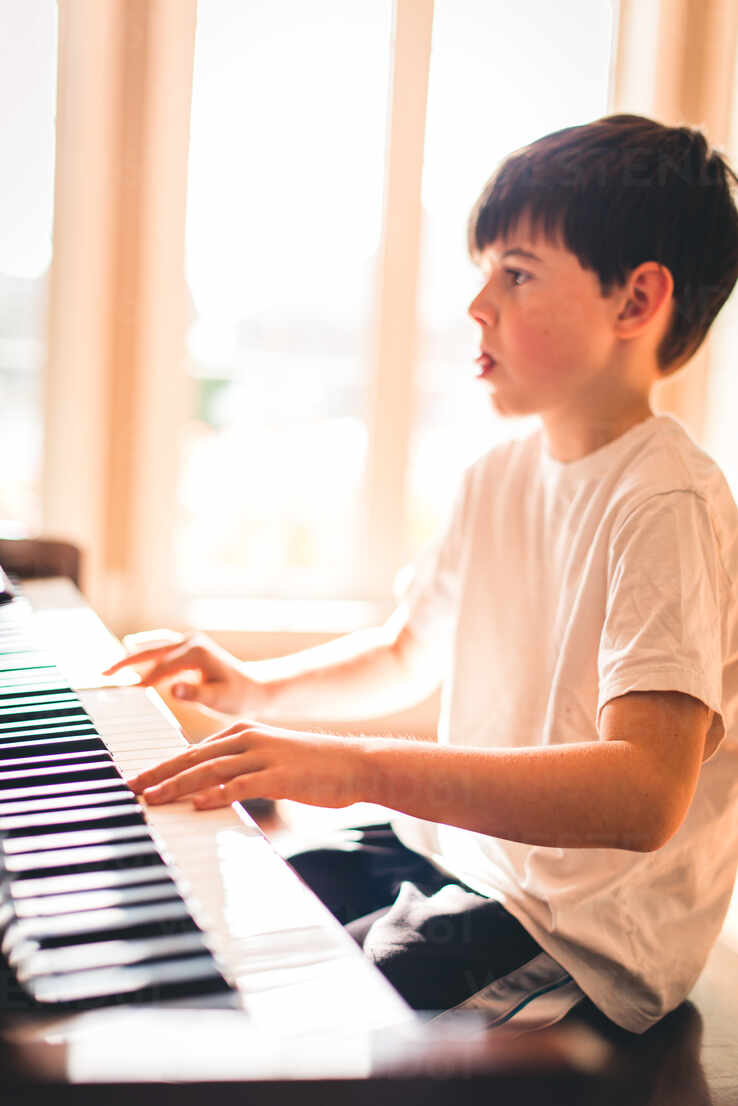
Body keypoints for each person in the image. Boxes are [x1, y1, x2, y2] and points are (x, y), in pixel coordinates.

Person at [104, 114, 738, 1035]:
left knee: (319, 1016)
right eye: (483, 273)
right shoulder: (498, 474)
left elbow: (645, 792)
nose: (478, 305)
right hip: (456, 859)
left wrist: (359, 766)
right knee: (218, 900)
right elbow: (409, 649)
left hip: (582, 932)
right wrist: (258, 685)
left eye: (516, 274)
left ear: (636, 302)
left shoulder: (666, 498)